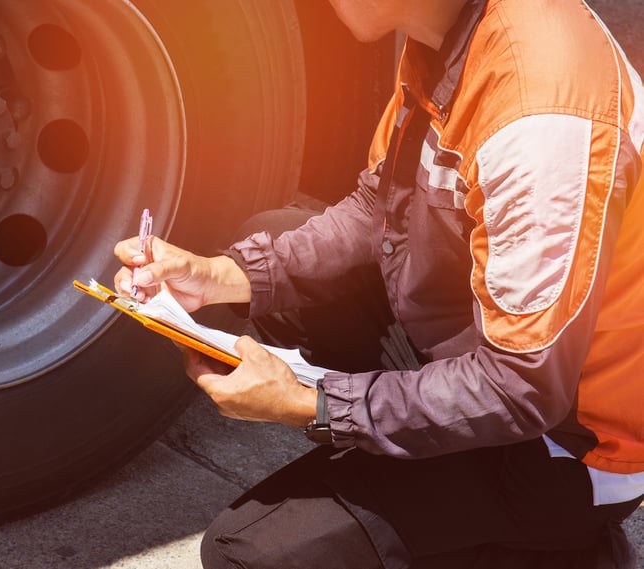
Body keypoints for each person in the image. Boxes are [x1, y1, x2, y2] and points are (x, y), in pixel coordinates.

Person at [114, 0, 644, 567]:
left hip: (565, 446)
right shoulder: (445, 32)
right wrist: (221, 275)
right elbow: (382, 209)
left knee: (249, 554)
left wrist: (312, 405)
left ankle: (557, 547)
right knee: (269, 242)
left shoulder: (537, 118)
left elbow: (521, 387)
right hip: (484, 351)